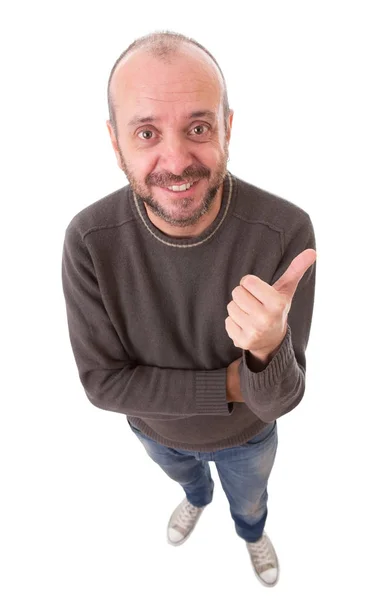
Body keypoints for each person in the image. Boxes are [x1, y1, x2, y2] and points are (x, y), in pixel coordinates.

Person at [61, 30, 317, 588]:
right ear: (115, 142)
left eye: (198, 127)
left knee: (250, 502)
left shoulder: (284, 231)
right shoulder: (88, 239)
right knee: (189, 483)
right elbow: (103, 386)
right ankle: (195, 497)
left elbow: (280, 400)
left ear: (227, 127)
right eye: (147, 132)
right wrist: (229, 384)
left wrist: (271, 348)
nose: (175, 160)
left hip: (250, 437)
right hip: (156, 432)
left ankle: (252, 533)